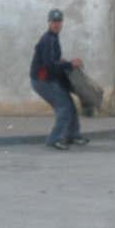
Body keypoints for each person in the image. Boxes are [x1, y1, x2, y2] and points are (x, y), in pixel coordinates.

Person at [29, 9, 89, 150]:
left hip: (49, 78)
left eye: (58, 21)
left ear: (62, 23)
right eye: (53, 21)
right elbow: (49, 65)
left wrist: (62, 61)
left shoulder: (54, 38)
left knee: (69, 105)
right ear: (49, 22)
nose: (56, 24)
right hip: (42, 81)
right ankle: (54, 139)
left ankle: (73, 135)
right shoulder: (48, 39)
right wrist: (69, 64)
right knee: (64, 106)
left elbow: (52, 60)